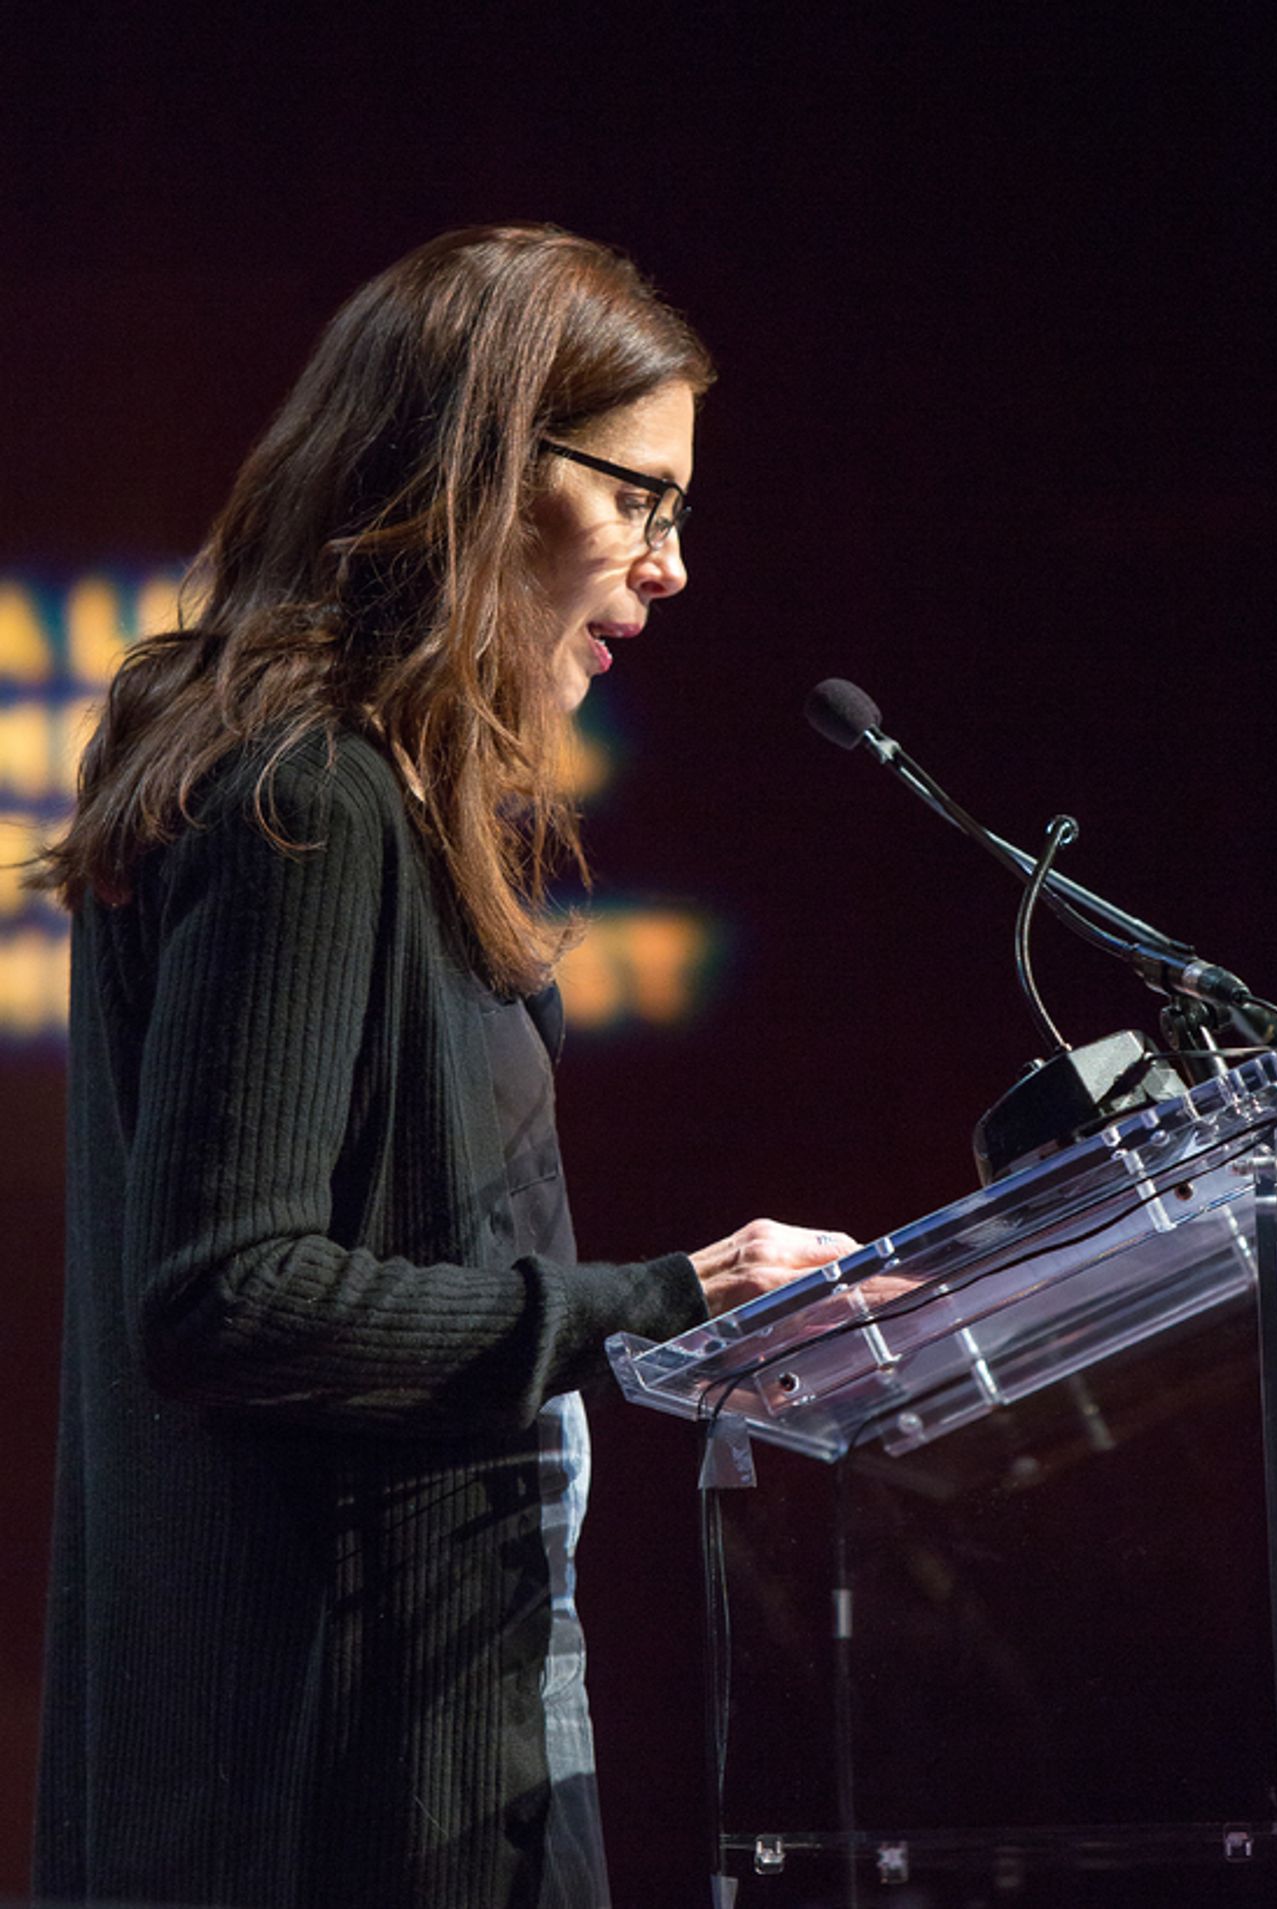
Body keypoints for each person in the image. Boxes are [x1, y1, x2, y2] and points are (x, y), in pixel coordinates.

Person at [31, 225, 855, 1909]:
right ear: (480, 466)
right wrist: (660, 1299)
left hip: (440, 1703)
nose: (671, 564)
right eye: (643, 498)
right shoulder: (308, 796)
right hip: (342, 1785)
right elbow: (222, 1296)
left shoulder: (377, 794)